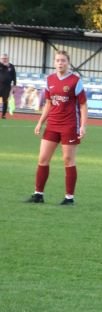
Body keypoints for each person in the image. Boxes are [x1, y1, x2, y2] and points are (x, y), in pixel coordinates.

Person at [27, 50, 88, 205]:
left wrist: (83, 126)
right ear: (54, 62)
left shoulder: (75, 81)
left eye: (63, 60)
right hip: (52, 125)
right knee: (43, 159)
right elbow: (48, 103)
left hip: (69, 126)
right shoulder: (50, 80)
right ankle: (38, 194)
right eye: (58, 60)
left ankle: (69, 197)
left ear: (68, 63)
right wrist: (40, 122)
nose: (60, 63)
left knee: (68, 160)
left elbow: (82, 105)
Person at [0, 52, 17, 119]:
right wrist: (4, 65)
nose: (4, 59)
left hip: (7, 87)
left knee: (5, 101)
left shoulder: (11, 66)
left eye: (5, 58)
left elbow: (14, 77)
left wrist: (14, 86)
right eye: (3, 58)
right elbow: (3, 65)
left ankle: (3, 115)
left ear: (8, 59)